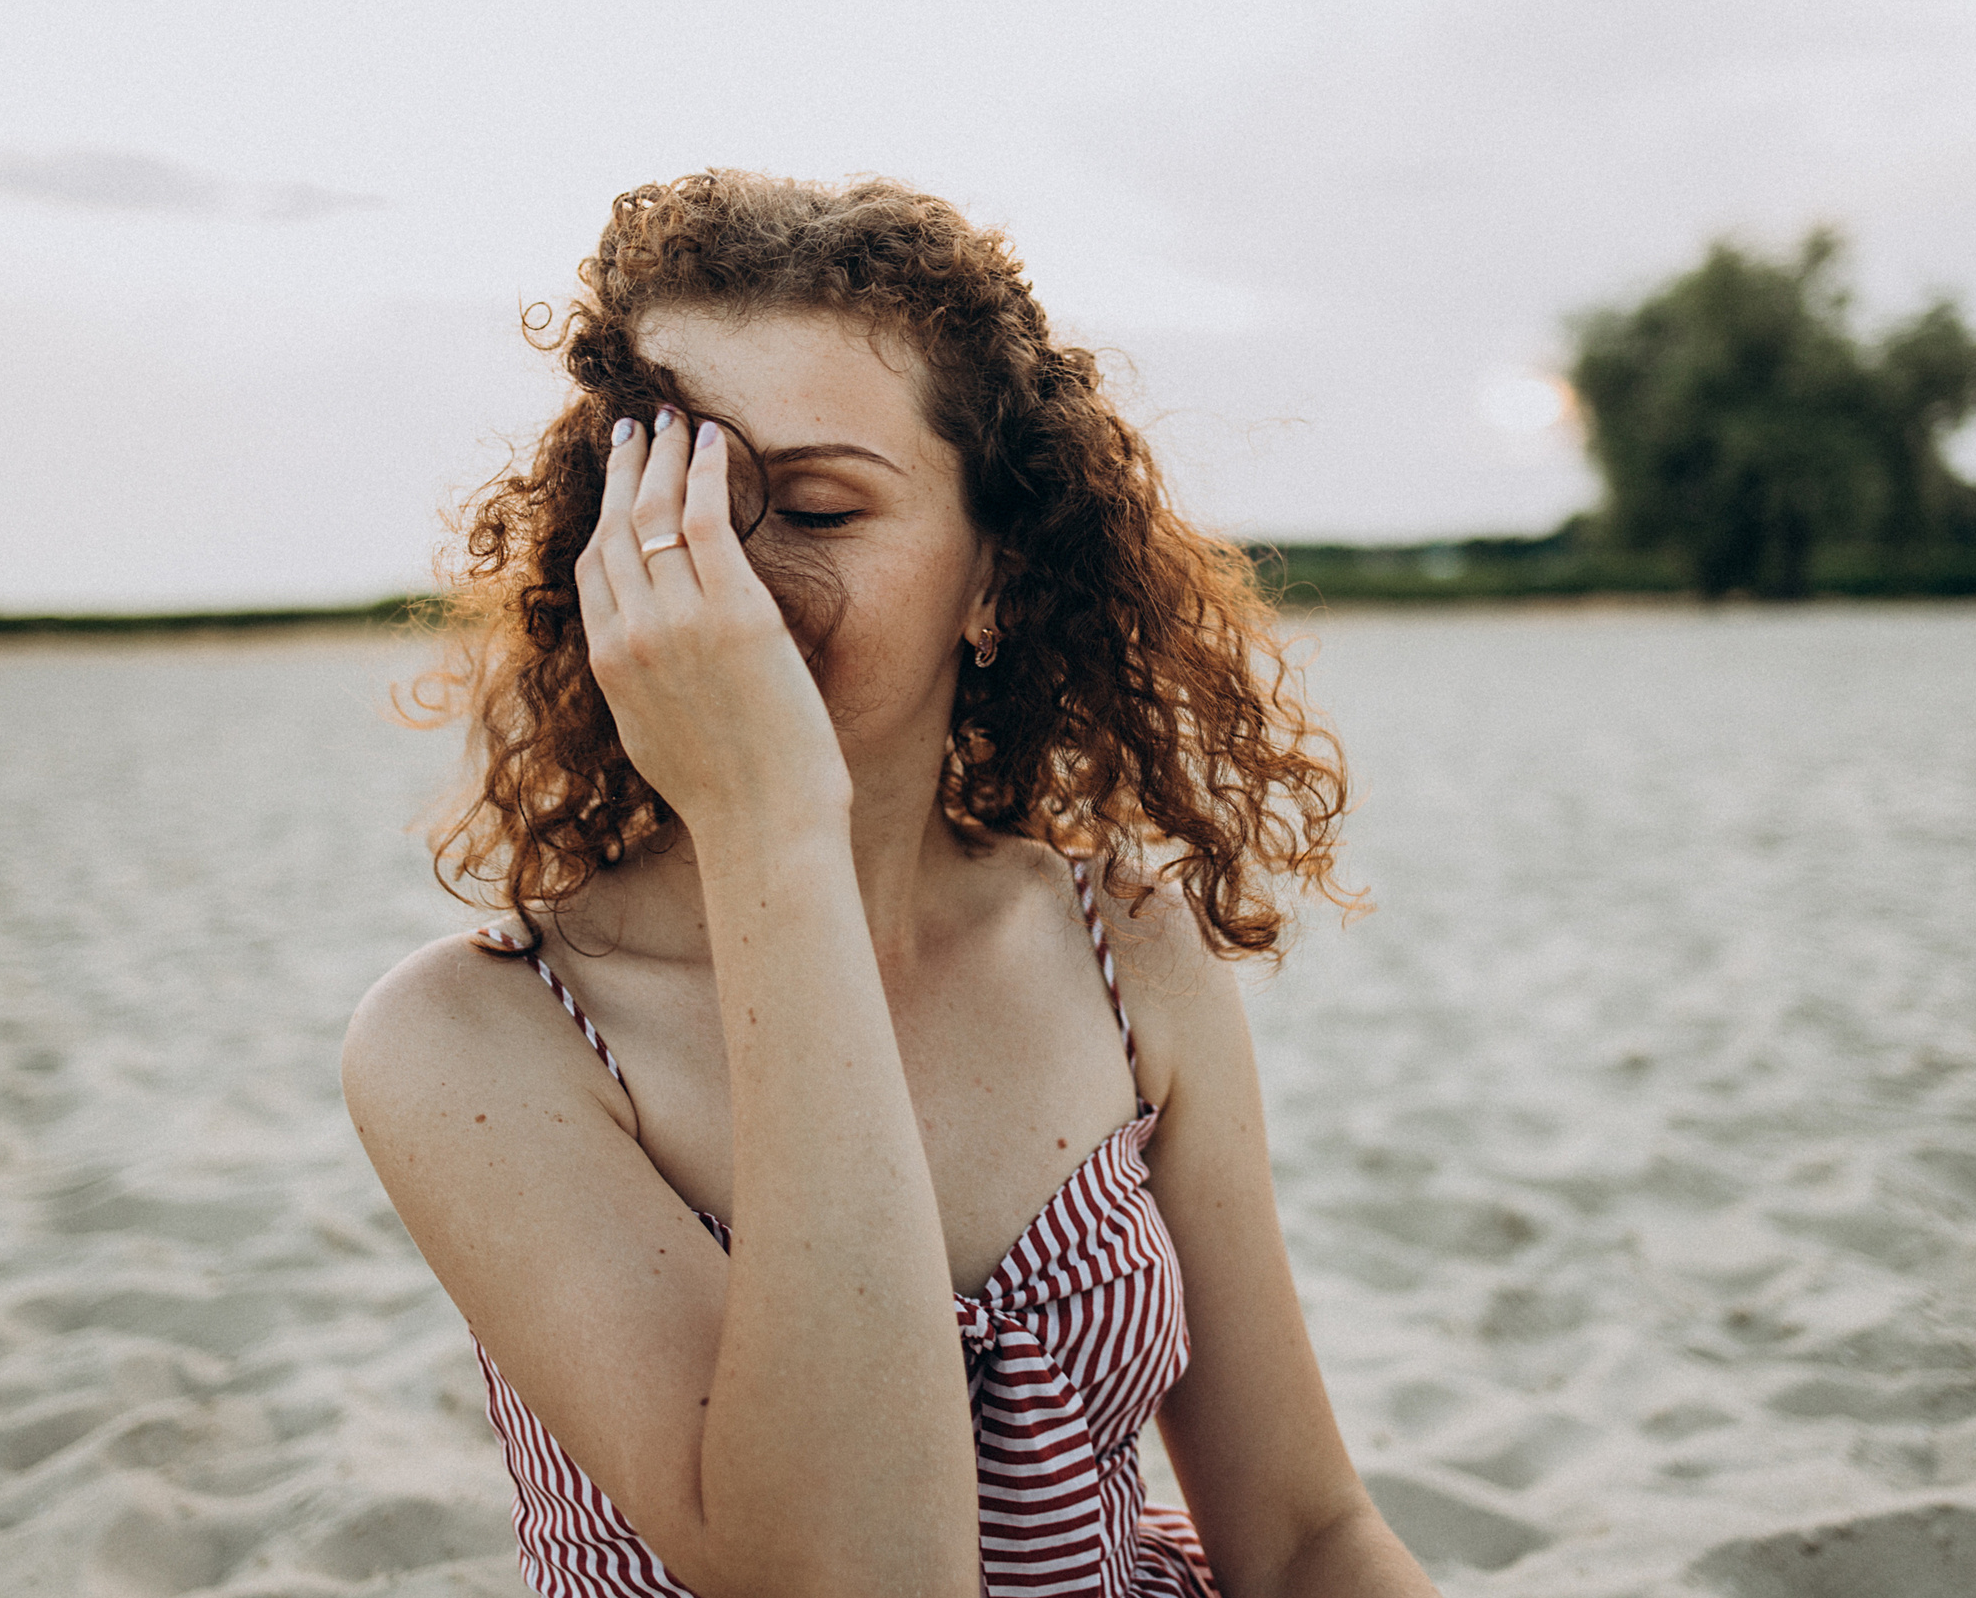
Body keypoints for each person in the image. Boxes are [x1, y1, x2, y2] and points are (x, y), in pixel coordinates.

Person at [342, 171, 1439, 1598]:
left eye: (811, 506)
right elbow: (849, 1573)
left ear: (995, 576)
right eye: (674, 504)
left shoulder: (1127, 953)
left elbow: (1305, 1537)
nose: (729, 577)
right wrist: (769, 830)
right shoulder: (474, 1043)